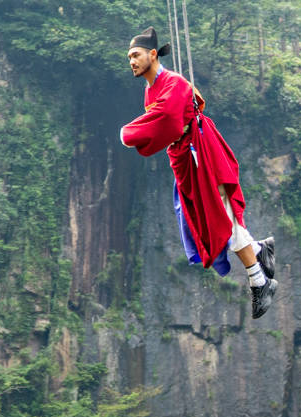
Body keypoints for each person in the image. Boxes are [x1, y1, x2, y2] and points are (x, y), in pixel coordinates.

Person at [119, 28, 281, 319]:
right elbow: (161, 126)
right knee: (213, 217)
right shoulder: (151, 90)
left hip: (201, 153)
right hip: (185, 158)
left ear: (152, 55)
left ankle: (259, 278)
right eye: (129, 57)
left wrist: (128, 133)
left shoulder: (174, 83)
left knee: (220, 216)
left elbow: (167, 121)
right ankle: (259, 254)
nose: (131, 61)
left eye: (135, 55)